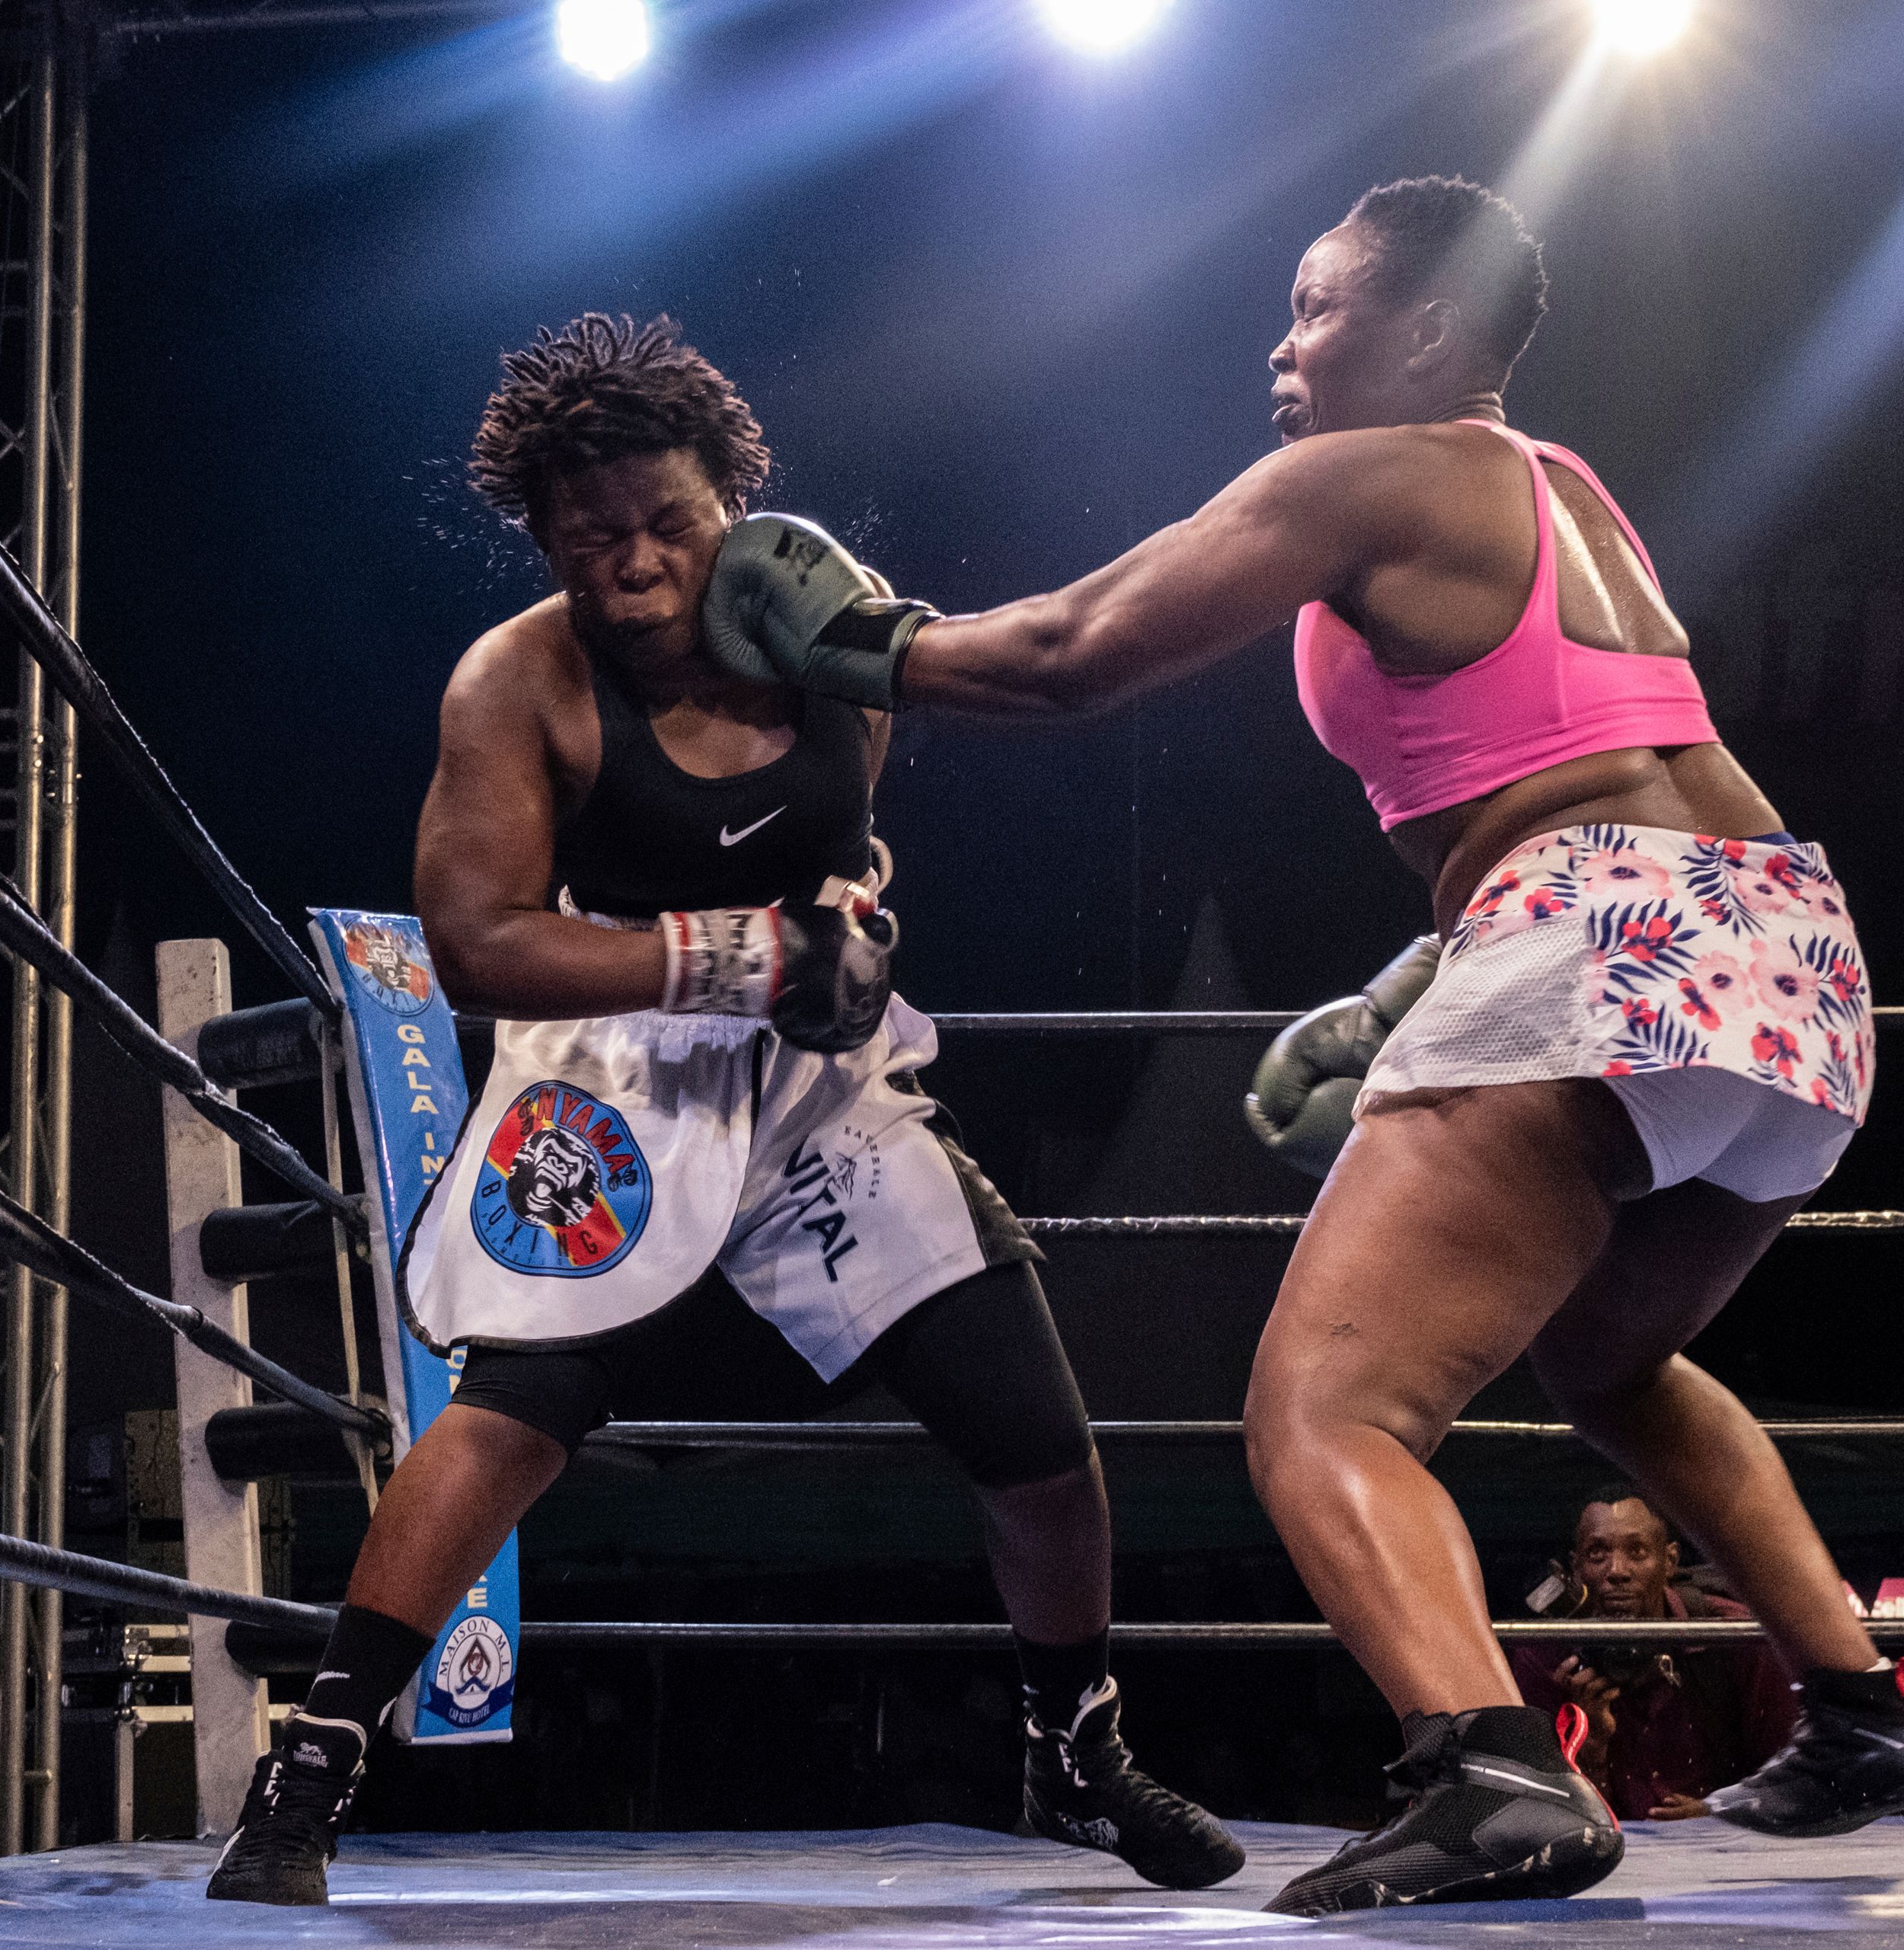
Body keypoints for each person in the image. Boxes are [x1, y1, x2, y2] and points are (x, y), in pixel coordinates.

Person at [702, 174, 1904, 1912]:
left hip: (1598, 931)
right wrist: (1424, 982)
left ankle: (1490, 1765)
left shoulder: (1363, 471)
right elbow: (1593, 754)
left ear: (1427, 333)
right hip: (1788, 952)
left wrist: (858, 643)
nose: (1281, 344)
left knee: (1324, 1405)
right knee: (1605, 1360)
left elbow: (1073, 654)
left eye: (1316, 308)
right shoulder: (1562, 487)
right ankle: (1851, 1700)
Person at [206, 314, 1238, 1905]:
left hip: (817, 1085)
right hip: (609, 1064)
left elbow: (844, 817)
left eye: (667, 522)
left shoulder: (824, 620)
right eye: (591, 534)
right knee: (513, 1408)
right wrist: (733, 955)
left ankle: (1079, 1750)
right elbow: (477, 946)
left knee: (1032, 1428)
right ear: (547, 536)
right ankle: (314, 1767)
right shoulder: (516, 683)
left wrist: (843, 924)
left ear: (730, 498)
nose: (633, 563)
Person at [1509, 1490, 1800, 1823]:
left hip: (1730, 1849)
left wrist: (1722, 1810)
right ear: (1576, 1568)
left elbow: (1789, 1773)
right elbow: (1542, 1817)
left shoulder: (1734, 1636)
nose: (1617, 1570)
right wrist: (1589, 1751)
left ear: (1670, 1561)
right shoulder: (1545, 1654)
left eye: (1637, 1552)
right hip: (1610, 1853)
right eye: (1597, 1553)